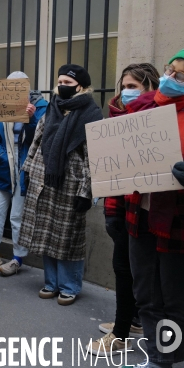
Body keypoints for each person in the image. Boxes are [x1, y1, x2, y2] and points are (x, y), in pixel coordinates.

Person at [86, 63, 160, 356]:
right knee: (124, 268)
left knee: (134, 272)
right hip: (117, 206)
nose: (125, 93)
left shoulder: (154, 122)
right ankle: (131, 323)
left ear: (149, 88)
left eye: (133, 87)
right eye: (124, 87)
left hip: (141, 210)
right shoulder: (117, 117)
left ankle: (122, 333)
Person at [119, 50, 184, 368]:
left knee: (174, 297)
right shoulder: (149, 108)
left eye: (180, 76)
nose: (171, 79)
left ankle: (169, 355)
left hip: (176, 218)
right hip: (140, 212)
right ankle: (157, 355)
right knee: (144, 290)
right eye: (170, 71)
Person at [18, 64, 102, 306]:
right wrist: (28, 170)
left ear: (82, 87)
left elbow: (93, 157)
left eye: (68, 82)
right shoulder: (52, 108)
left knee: (68, 237)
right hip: (44, 180)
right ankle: (51, 282)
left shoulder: (91, 114)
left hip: (72, 182)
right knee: (46, 234)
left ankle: (69, 286)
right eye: (60, 81)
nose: (62, 86)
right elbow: (37, 141)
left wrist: (86, 191)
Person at [0, 72, 48, 277]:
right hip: (3, 171)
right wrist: (0, 155)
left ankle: (17, 258)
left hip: (24, 172)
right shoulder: (0, 107)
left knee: (18, 216)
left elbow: (41, 138)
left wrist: (29, 119)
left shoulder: (41, 108)